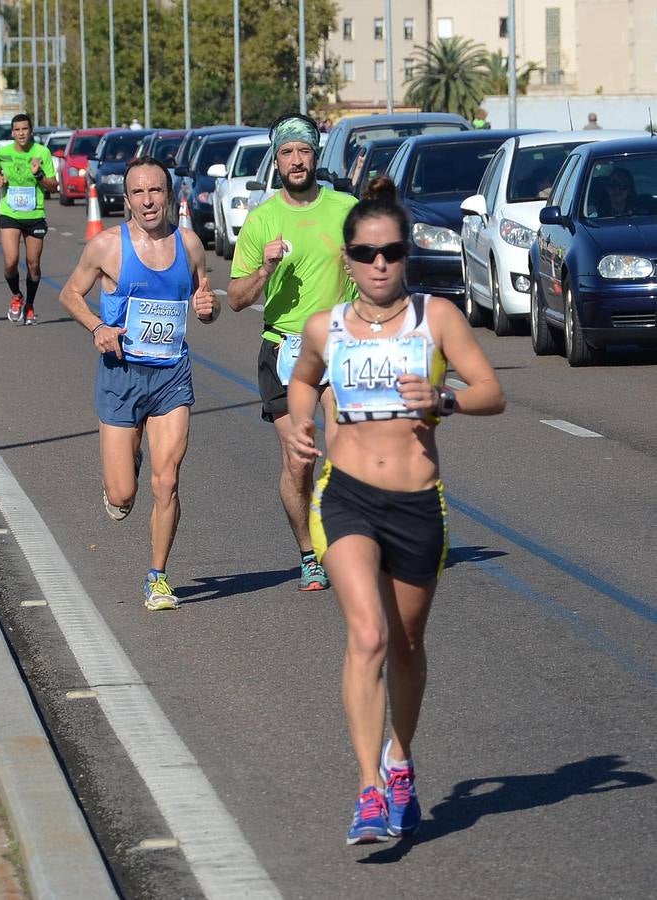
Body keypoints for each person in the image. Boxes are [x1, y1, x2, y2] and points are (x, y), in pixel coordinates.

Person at [283, 176, 505, 844]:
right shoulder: (326, 326)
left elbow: (492, 390)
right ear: (348, 258)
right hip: (347, 496)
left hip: (416, 502)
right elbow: (302, 379)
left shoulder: (435, 318)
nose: (380, 263)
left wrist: (447, 402)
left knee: (407, 646)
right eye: (366, 251)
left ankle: (400, 760)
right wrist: (300, 425)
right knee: (370, 636)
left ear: (406, 253)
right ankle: (369, 790)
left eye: (391, 251)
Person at [58, 157, 220, 610]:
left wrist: (209, 309)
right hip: (121, 376)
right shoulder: (107, 247)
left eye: (156, 191)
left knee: (166, 482)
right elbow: (70, 293)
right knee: (122, 494)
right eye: (138, 193)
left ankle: (158, 577)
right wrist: (97, 327)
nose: (148, 201)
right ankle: (125, 460)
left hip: (171, 376)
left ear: (168, 194)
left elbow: (204, 302)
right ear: (126, 199)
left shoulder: (189, 244)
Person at [228, 113, 359, 592]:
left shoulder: (346, 208)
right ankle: (309, 555)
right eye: (287, 153)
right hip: (283, 348)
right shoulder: (263, 220)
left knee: (345, 449)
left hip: (339, 341)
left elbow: (383, 268)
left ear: (315, 155)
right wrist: (264, 270)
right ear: (277, 160)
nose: (297, 160)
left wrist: (359, 266)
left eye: (304, 151)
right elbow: (237, 298)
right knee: (299, 461)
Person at [0, 113, 57, 325]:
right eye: (17, 129)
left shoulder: (42, 152)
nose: (21, 133)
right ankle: (16, 295)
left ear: (31, 131)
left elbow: (53, 185)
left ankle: (30, 304)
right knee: (10, 261)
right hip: (10, 212)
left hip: (35, 214)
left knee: (33, 265)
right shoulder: (3, 152)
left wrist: (38, 175)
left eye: (25, 129)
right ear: (12, 132)